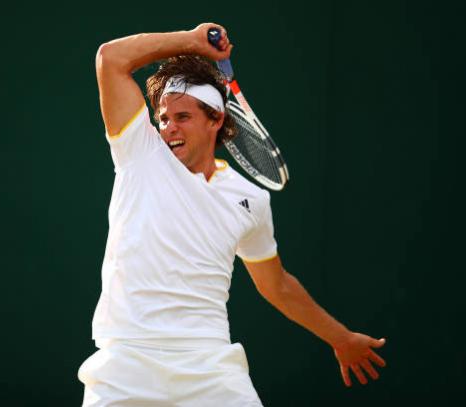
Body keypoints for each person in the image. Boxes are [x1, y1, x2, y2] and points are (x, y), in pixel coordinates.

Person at [78, 22, 386, 406]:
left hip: (210, 366)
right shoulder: (140, 153)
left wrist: (340, 338)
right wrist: (192, 41)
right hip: (127, 364)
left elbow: (278, 286)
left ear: (216, 120)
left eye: (183, 117)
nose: (168, 127)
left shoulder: (250, 199)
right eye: (163, 118)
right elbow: (111, 58)